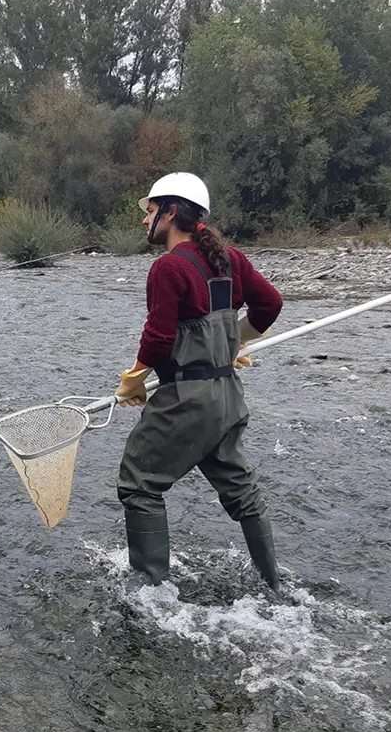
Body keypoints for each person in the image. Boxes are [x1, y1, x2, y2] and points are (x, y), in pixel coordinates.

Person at [115, 172, 284, 590]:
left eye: (150, 211)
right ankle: (273, 586)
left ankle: (150, 595)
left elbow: (159, 336)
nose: (144, 221)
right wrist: (231, 344)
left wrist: (135, 378)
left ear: (171, 213)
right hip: (227, 398)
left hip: (187, 400)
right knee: (242, 493)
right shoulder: (230, 259)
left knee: (138, 484)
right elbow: (270, 304)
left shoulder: (168, 268)